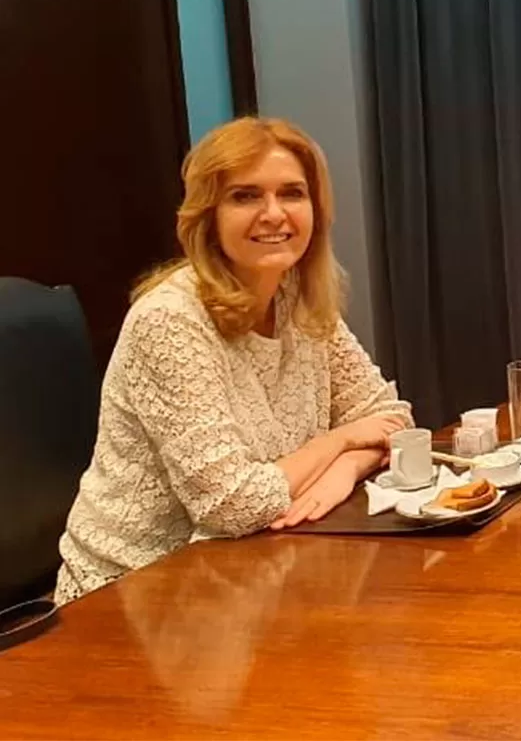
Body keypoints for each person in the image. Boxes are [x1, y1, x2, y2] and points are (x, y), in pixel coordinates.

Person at [56, 117, 413, 603]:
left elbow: (392, 419)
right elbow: (232, 505)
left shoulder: (298, 299)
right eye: (245, 196)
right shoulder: (169, 321)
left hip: (254, 573)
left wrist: (345, 470)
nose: (274, 214)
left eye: (292, 193)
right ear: (208, 217)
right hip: (136, 594)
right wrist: (343, 439)